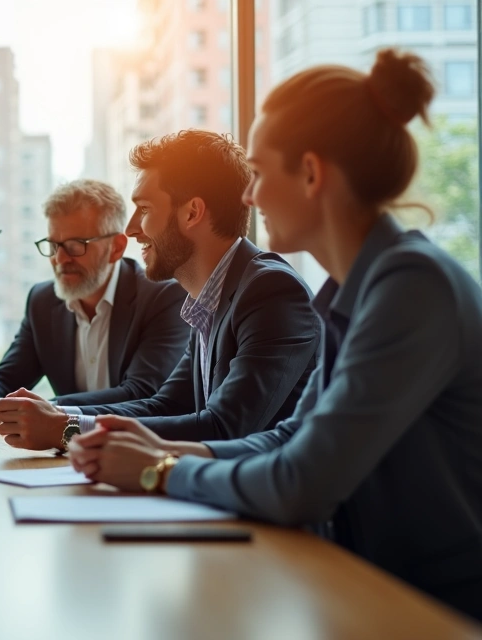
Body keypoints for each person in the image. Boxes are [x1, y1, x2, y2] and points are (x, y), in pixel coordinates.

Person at [69, 49, 482, 621]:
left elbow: (302, 481)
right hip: (363, 586)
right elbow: (291, 437)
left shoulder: (412, 286)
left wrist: (158, 470)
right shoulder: (355, 290)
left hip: (432, 609)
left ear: (311, 174)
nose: (248, 197)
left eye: (260, 174)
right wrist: (159, 450)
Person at [0, 130, 321, 450]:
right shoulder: (208, 298)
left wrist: (66, 430)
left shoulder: (270, 291)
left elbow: (224, 427)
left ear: (192, 213)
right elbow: (165, 405)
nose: (132, 228)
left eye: (145, 209)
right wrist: (59, 415)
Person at [0, 179, 188, 435]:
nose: (60, 259)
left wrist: (49, 412)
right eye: (53, 245)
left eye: (75, 245)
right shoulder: (43, 301)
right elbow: (7, 378)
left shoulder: (163, 296)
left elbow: (141, 392)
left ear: (116, 248)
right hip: (67, 451)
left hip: (137, 447)